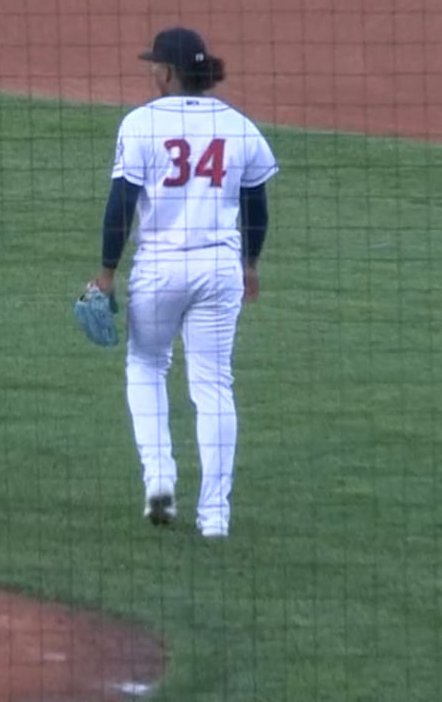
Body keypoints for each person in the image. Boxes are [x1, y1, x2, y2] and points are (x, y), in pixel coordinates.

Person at [89, 27, 278, 539]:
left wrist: (107, 272)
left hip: (159, 269)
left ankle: (160, 486)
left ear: (169, 73)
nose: (152, 72)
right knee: (214, 385)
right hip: (220, 270)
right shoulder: (239, 126)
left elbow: (121, 204)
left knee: (146, 366)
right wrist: (251, 264)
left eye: (156, 65)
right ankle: (215, 517)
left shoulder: (141, 124)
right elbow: (257, 203)